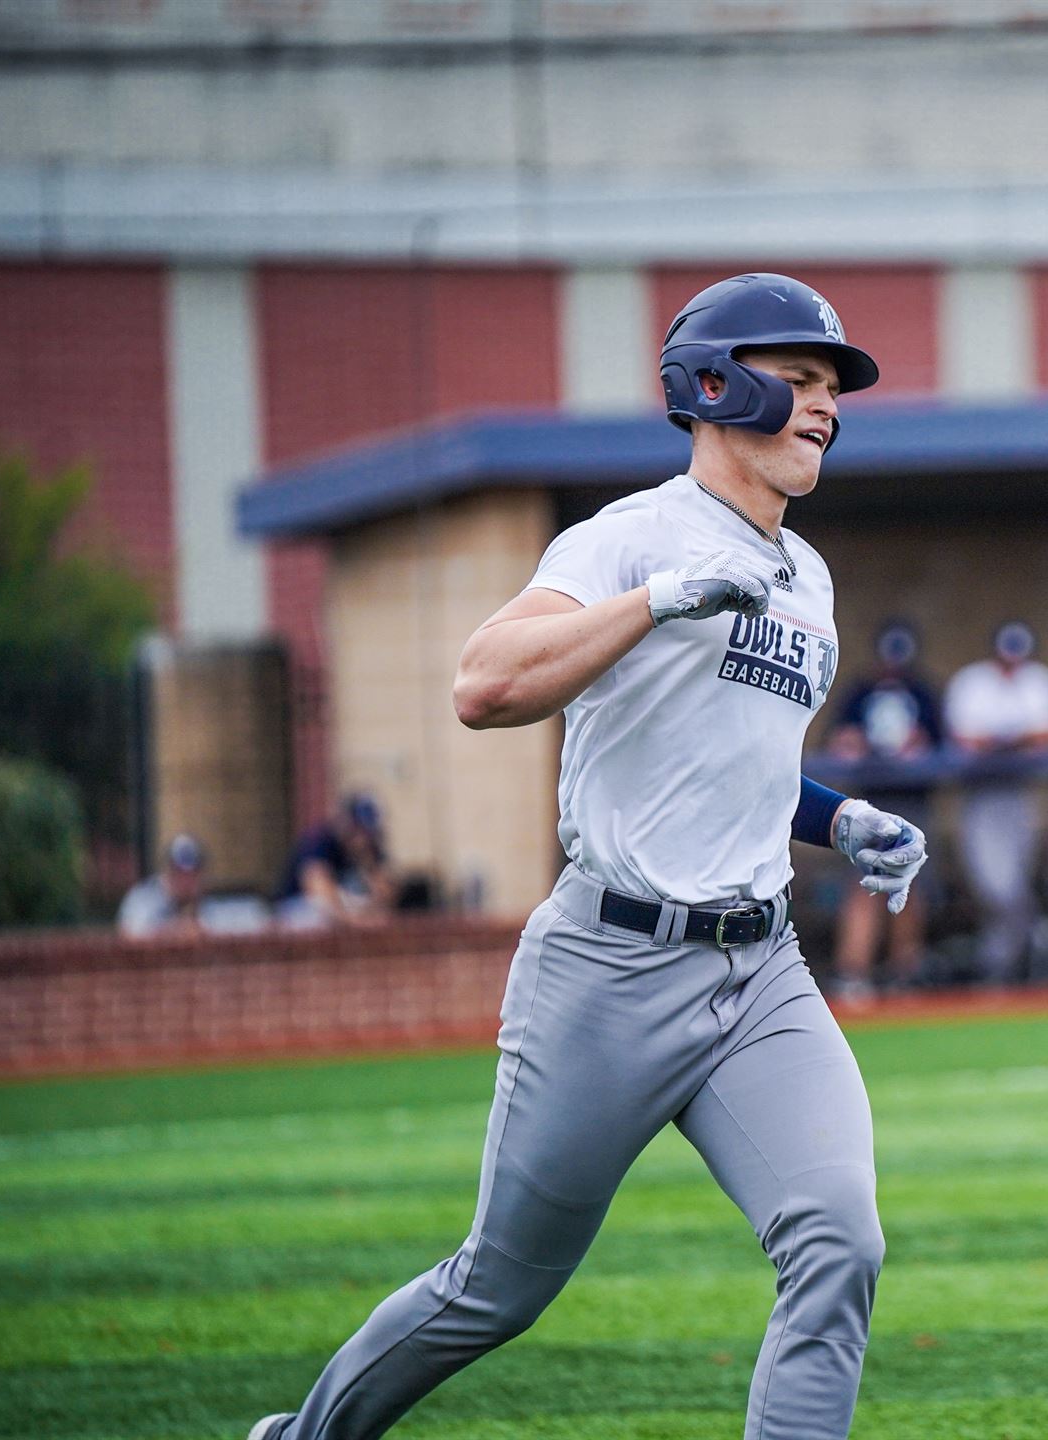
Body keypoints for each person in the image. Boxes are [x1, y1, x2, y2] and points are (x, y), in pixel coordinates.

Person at [248, 274, 925, 1440]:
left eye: (831, 391)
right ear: (715, 385)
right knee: (497, 1288)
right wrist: (656, 603)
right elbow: (482, 685)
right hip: (608, 970)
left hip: (759, 969)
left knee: (839, 1241)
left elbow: (730, 764)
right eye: (802, 382)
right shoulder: (628, 539)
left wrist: (835, 819)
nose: (824, 409)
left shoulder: (806, 575)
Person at [825, 618, 942, 1000]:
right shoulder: (860, 691)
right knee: (863, 886)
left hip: (910, 800)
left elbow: (943, 744)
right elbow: (836, 740)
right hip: (869, 800)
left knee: (909, 883)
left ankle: (904, 971)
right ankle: (853, 972)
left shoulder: (922, 692)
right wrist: (852, 743)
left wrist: (918, 746)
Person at [943, 619, 1048, 984]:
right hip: (980, 794)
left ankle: (1003, 971)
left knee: (1014, 881)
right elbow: (965, 739)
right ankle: (1007, 958)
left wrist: (1005, 739)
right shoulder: (973, 681)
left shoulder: (1038, 679)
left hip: (1021, 793)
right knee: (992, 885)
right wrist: (1019, 738)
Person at [274, 793, 397, 928]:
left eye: (369, 832)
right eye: (358, 830)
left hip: (341, 910)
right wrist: (359, 923)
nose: (364, 838)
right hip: (296, 909)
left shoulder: (369, 849)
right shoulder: (319, 841)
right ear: (346, 824)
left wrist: (367, 864)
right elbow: (321, 897)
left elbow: (386, 896)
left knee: (362, 902)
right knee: (320, 914)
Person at [117, 832, 210, 938]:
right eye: (179, 873)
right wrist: (175, 930)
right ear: (167, 872)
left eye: (193, 874)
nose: (186, 881)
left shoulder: (209, 904)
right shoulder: (142, 898)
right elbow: (129, 936)